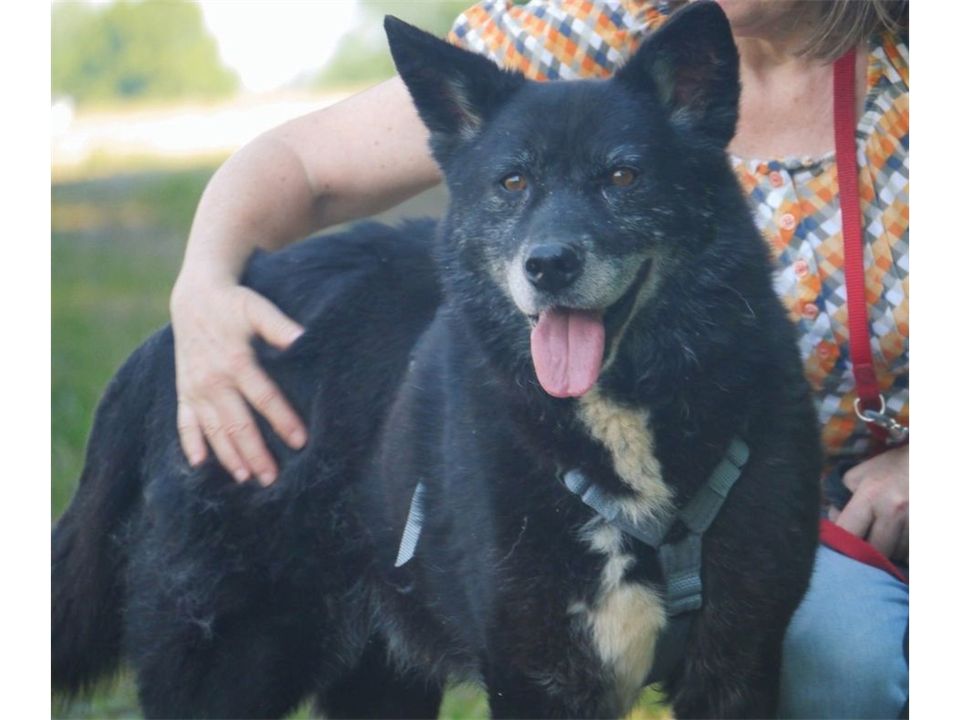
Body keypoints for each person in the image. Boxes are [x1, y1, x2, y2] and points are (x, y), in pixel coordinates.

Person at [169, 1, 908, 716]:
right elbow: (302, 162)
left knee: (849, 662)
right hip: (613, 488)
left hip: (856, 515)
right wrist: (201, 289)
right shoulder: (578, 33)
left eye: (619, 179)